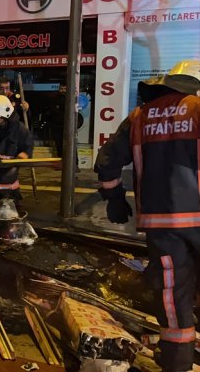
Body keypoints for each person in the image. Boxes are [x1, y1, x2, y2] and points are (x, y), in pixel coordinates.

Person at [95, 59, 200, 372]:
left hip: (162, 223)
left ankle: (176, 361)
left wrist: (115, 199)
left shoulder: (139, 116)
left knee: (173, 291)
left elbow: (107, 162)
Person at [49, 84, 84, 170]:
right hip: (58, 125)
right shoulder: (55, 99)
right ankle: (61, 164)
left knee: (71, 145)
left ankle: (75, 165)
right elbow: (53, 110)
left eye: (65, 88)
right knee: (59, 145)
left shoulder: (71, 99)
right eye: (62, 88)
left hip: (69, 125)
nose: (63, 90)